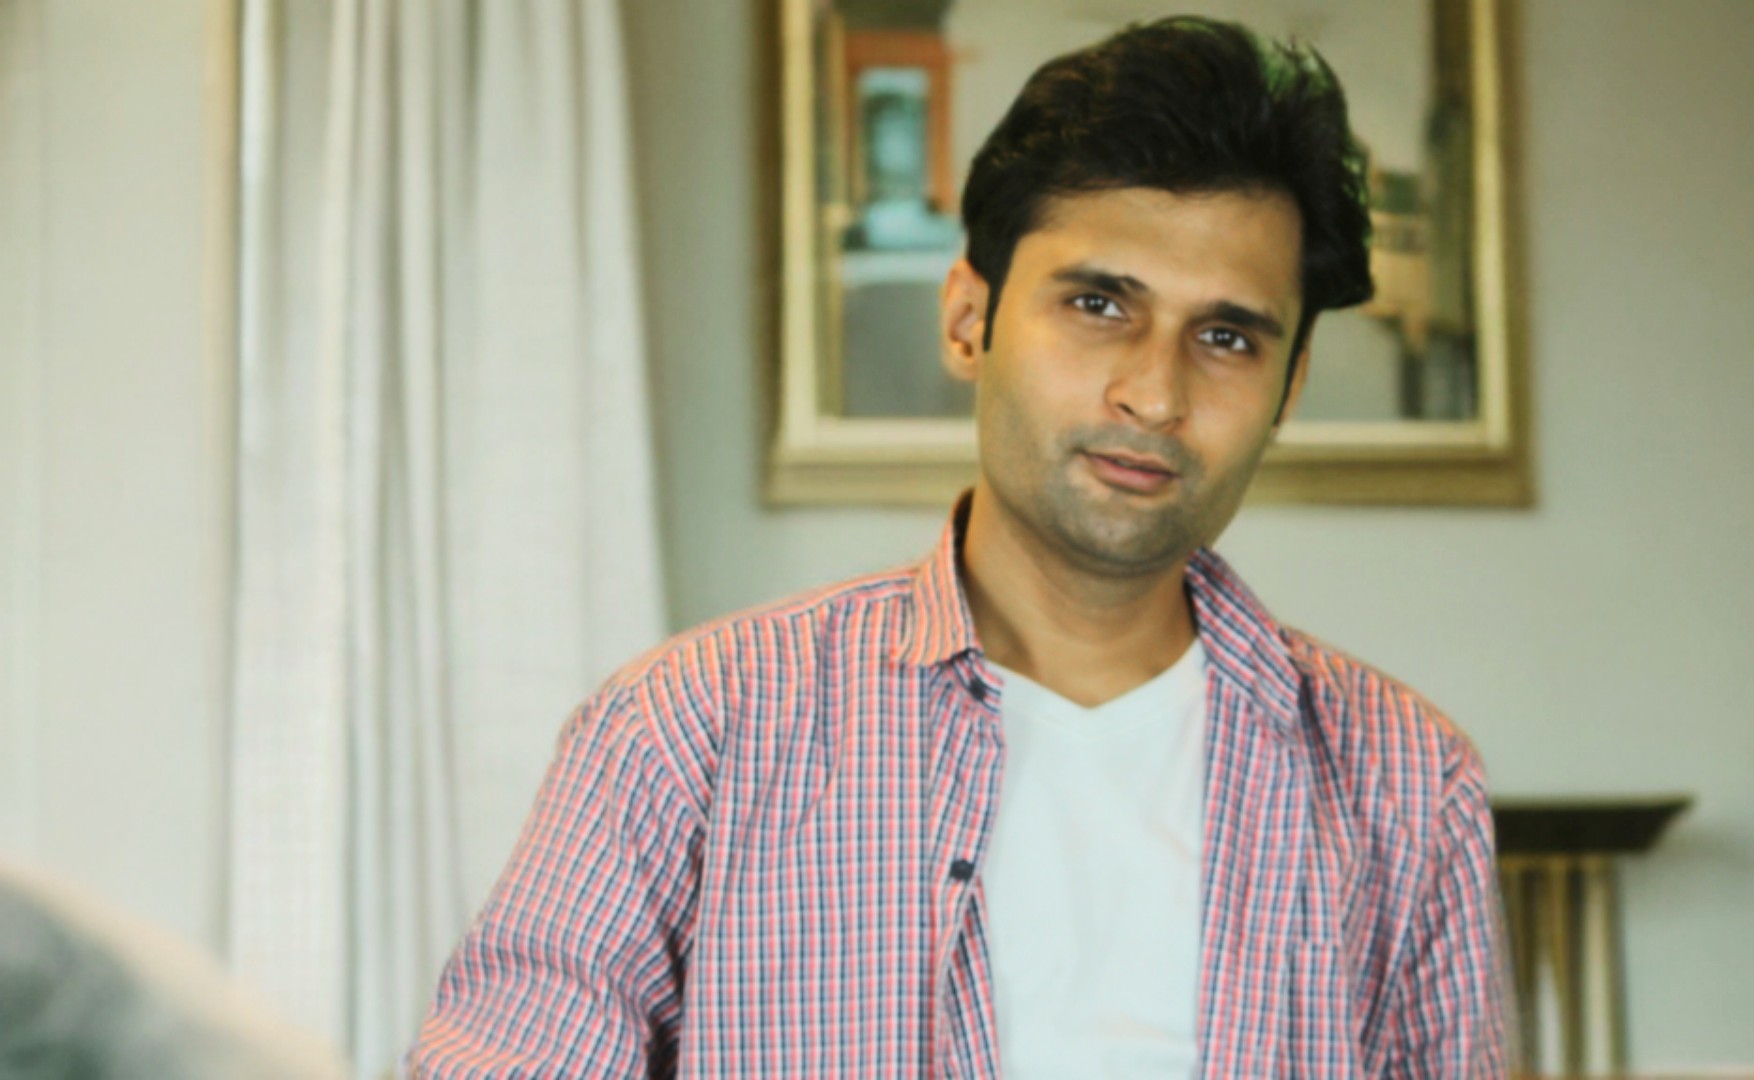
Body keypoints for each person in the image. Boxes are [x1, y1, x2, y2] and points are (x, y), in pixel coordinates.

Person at [410, 16, 1509, 1078]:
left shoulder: (1404, 783)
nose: (1154, 393)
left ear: (1288, 388)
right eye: (1098, 304)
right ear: (967, 320)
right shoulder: (688, 733)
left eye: (1225, 337)